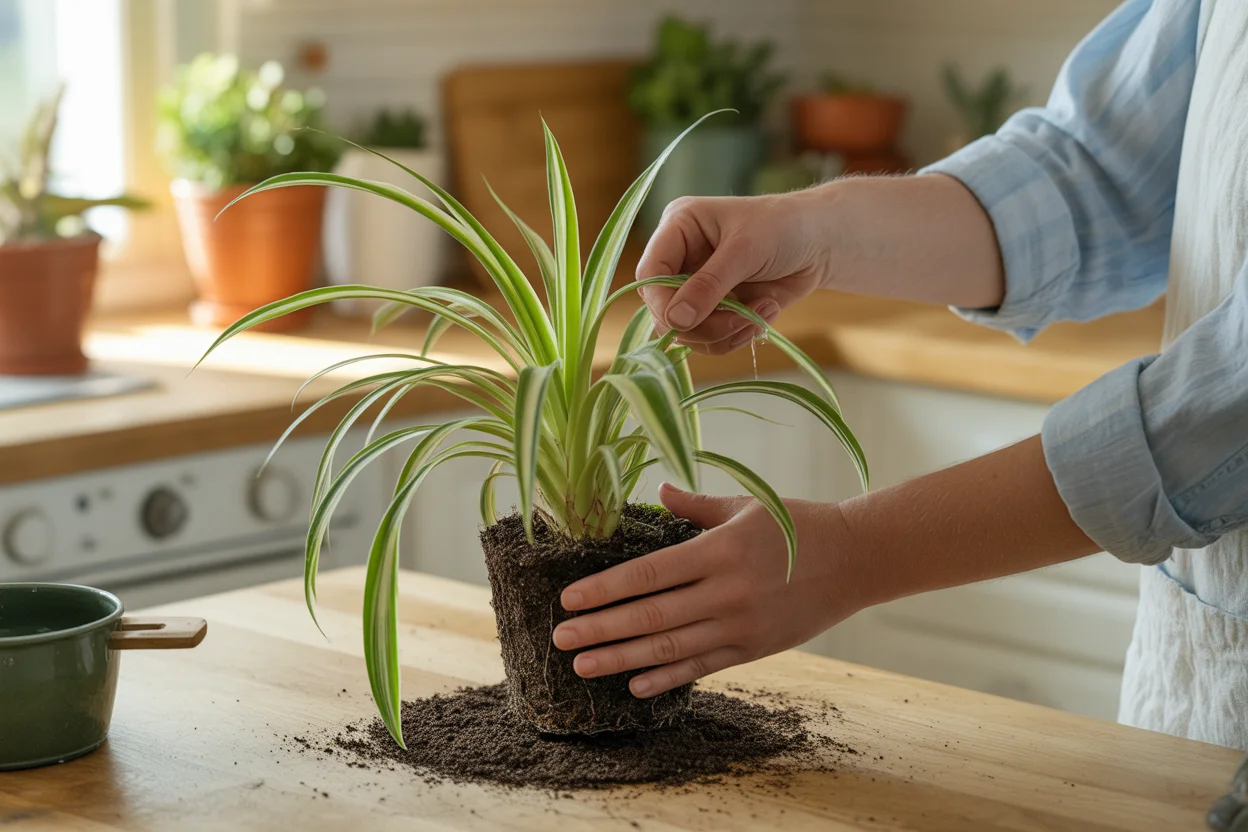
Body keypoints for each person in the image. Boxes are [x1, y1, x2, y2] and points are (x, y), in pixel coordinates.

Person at [550, 0, 1248, 751]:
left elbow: (1223, 413)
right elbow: (1093, 178)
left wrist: (855, 549)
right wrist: (815, 228)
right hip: (1196, 692)